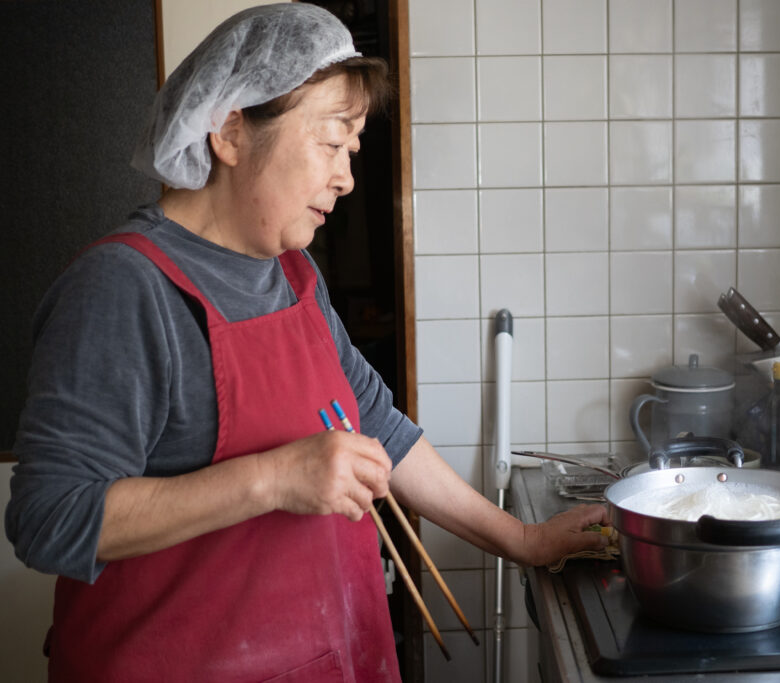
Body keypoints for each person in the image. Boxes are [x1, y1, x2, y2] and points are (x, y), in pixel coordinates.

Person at [4, 4, 609, 681]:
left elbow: (379, 426)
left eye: (352, 149)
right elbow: (49, 518)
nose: (347, 177)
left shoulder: (294, 276)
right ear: (231, 130)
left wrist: (524, 540)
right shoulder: (124, 287)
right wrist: (273, 477)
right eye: (331, 141)